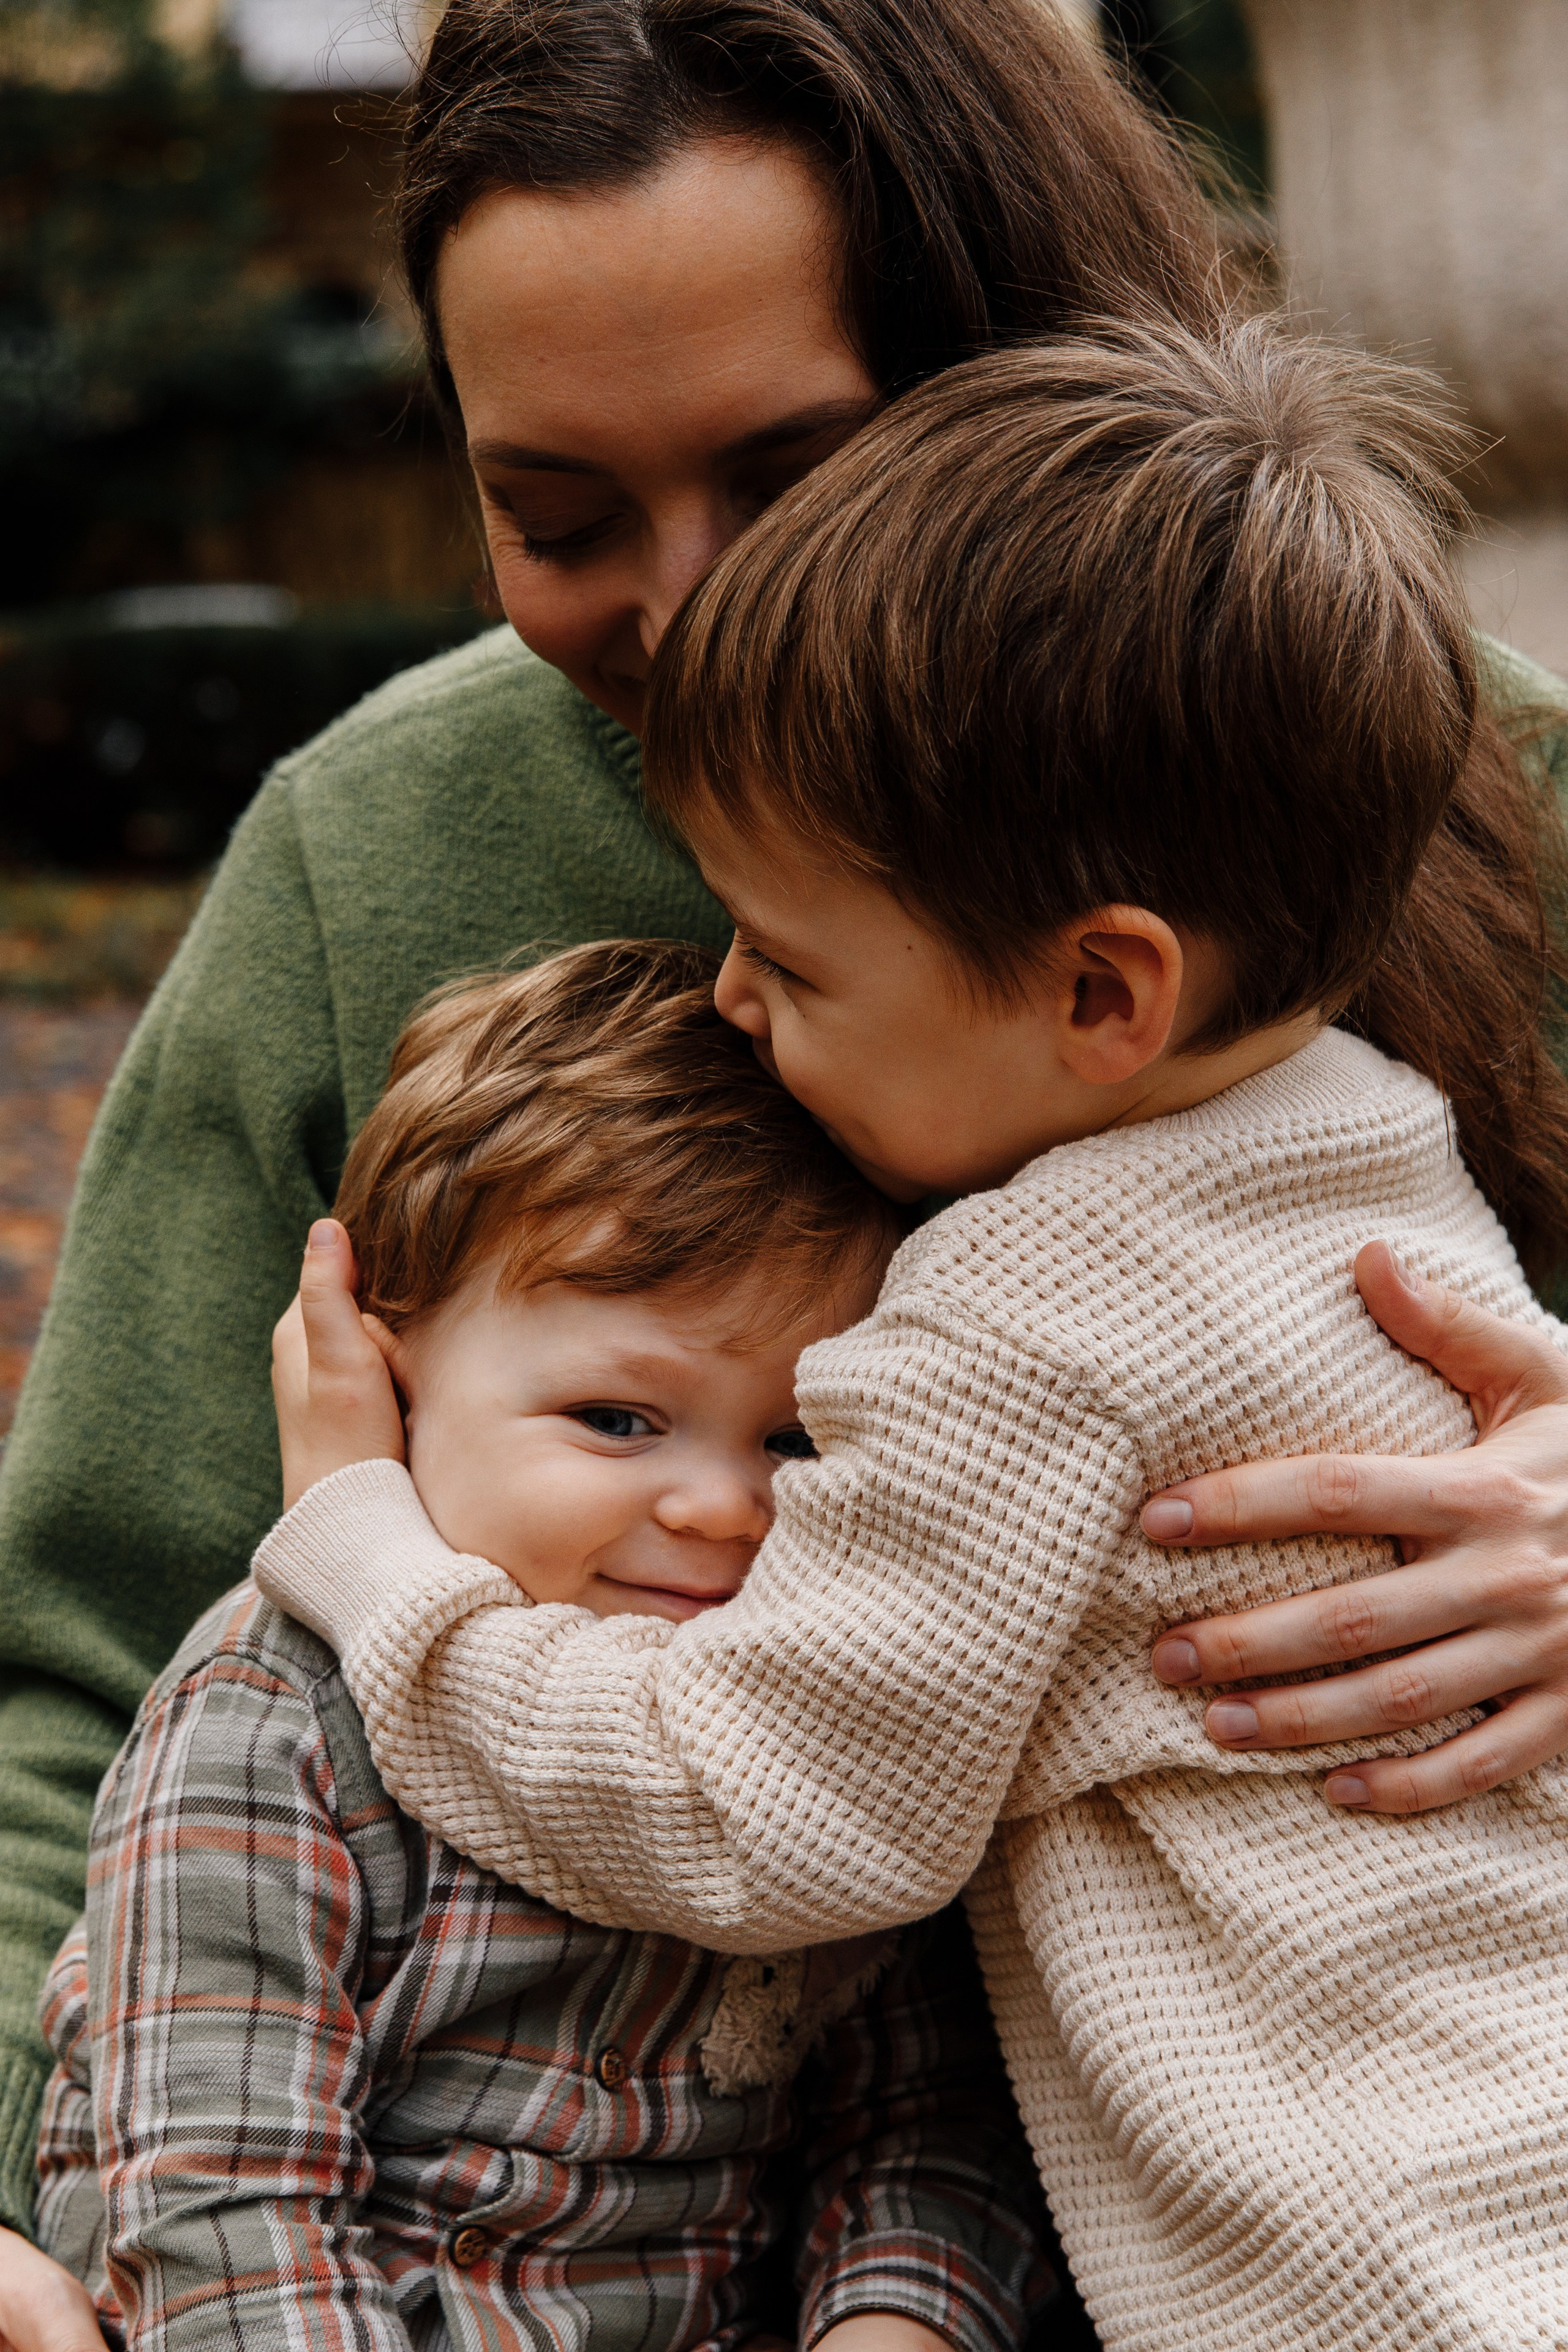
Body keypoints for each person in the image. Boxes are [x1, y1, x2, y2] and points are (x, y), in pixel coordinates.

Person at [5, 0, 1568, 2325]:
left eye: (802, 477)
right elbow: (76, 1684)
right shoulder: (375, 851)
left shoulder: (1412, 774)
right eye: (552, 515)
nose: (693, 604)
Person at [31, 940, 1055, 2352]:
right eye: (616, 1420)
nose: (719, 1507)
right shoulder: (270, 1727)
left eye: (798, 1439)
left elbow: (915, 2132)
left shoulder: (825, 1723)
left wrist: (893, 2326)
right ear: (382, 1381)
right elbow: (224, 2217)